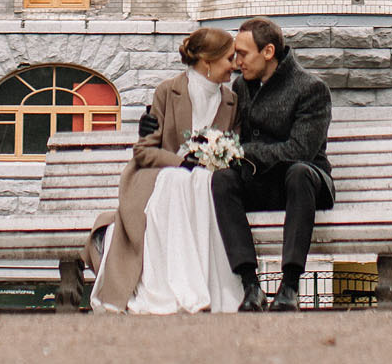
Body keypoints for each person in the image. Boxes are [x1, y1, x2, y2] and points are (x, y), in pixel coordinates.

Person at [89, 27, 245, 314]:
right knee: (182, 180)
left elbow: (234, 146)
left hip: (208, 182)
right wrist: (182, 163)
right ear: (207, 62)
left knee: (201, 181)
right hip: (159, 177)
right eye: (229, 58)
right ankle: (175, 285)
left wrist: (215, 159)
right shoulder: (168, 91)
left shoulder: (232, 100)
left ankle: (207, 285)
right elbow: (144, 151)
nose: (235, 65)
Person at [211, 16, 333, 311]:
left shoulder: (310, 88)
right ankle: (251, 286)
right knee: (223, 179)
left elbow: (301, 149)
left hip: (306, 185)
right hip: (262, 184)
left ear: (267, 52)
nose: (237, 60)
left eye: (243, 53)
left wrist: (244, 151)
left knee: (298, 172)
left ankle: (289, 286)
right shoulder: (242, 86)